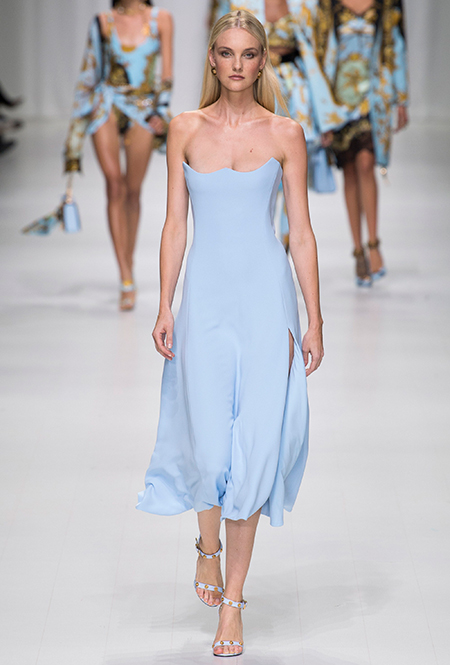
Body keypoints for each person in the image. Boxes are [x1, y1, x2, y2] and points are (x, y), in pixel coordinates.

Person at [137, 9, 324, 657]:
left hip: (268, 305)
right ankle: (207, 546)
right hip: (206, 304)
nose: (237, 64)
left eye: (248, 53)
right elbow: (175, 224)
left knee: (255, 454)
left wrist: (315, 317)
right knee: (211, 448)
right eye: (226, 52)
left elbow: (301, 232)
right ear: (212, 60)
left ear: (263, 60)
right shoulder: (186, 129)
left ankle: (233, 605)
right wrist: (164, 304)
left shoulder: (286, 133)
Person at [209, 0, 352, 251]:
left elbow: (321, 56)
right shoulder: (239, 3)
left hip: (296, 91)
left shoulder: (306, 4)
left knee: (291, 175)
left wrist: (324, 114)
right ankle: (256, 242)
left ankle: (284, 247)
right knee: (256, 169)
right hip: (254, 87)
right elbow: (221, 49)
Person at [64, 0, 173, 310]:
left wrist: (161, 111)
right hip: (106, 105)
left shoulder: (161, 20)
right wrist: (75, 133)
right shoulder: (102, 21)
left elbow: (166, 73)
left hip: (143, 109)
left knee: (133, 191)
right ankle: (126, 276)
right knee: (114, 185)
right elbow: (89, 73)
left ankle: (129, 258)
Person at [305, 0, 408, 285]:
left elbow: (395, 45)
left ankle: (373, 243)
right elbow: (318, 51)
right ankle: (358, 249)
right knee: (350, 170)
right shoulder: (327, 4)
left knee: (365, 163)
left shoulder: (386, 3)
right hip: (338, 100)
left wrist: (401, 97)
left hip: (373, 97)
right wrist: (319, 107)